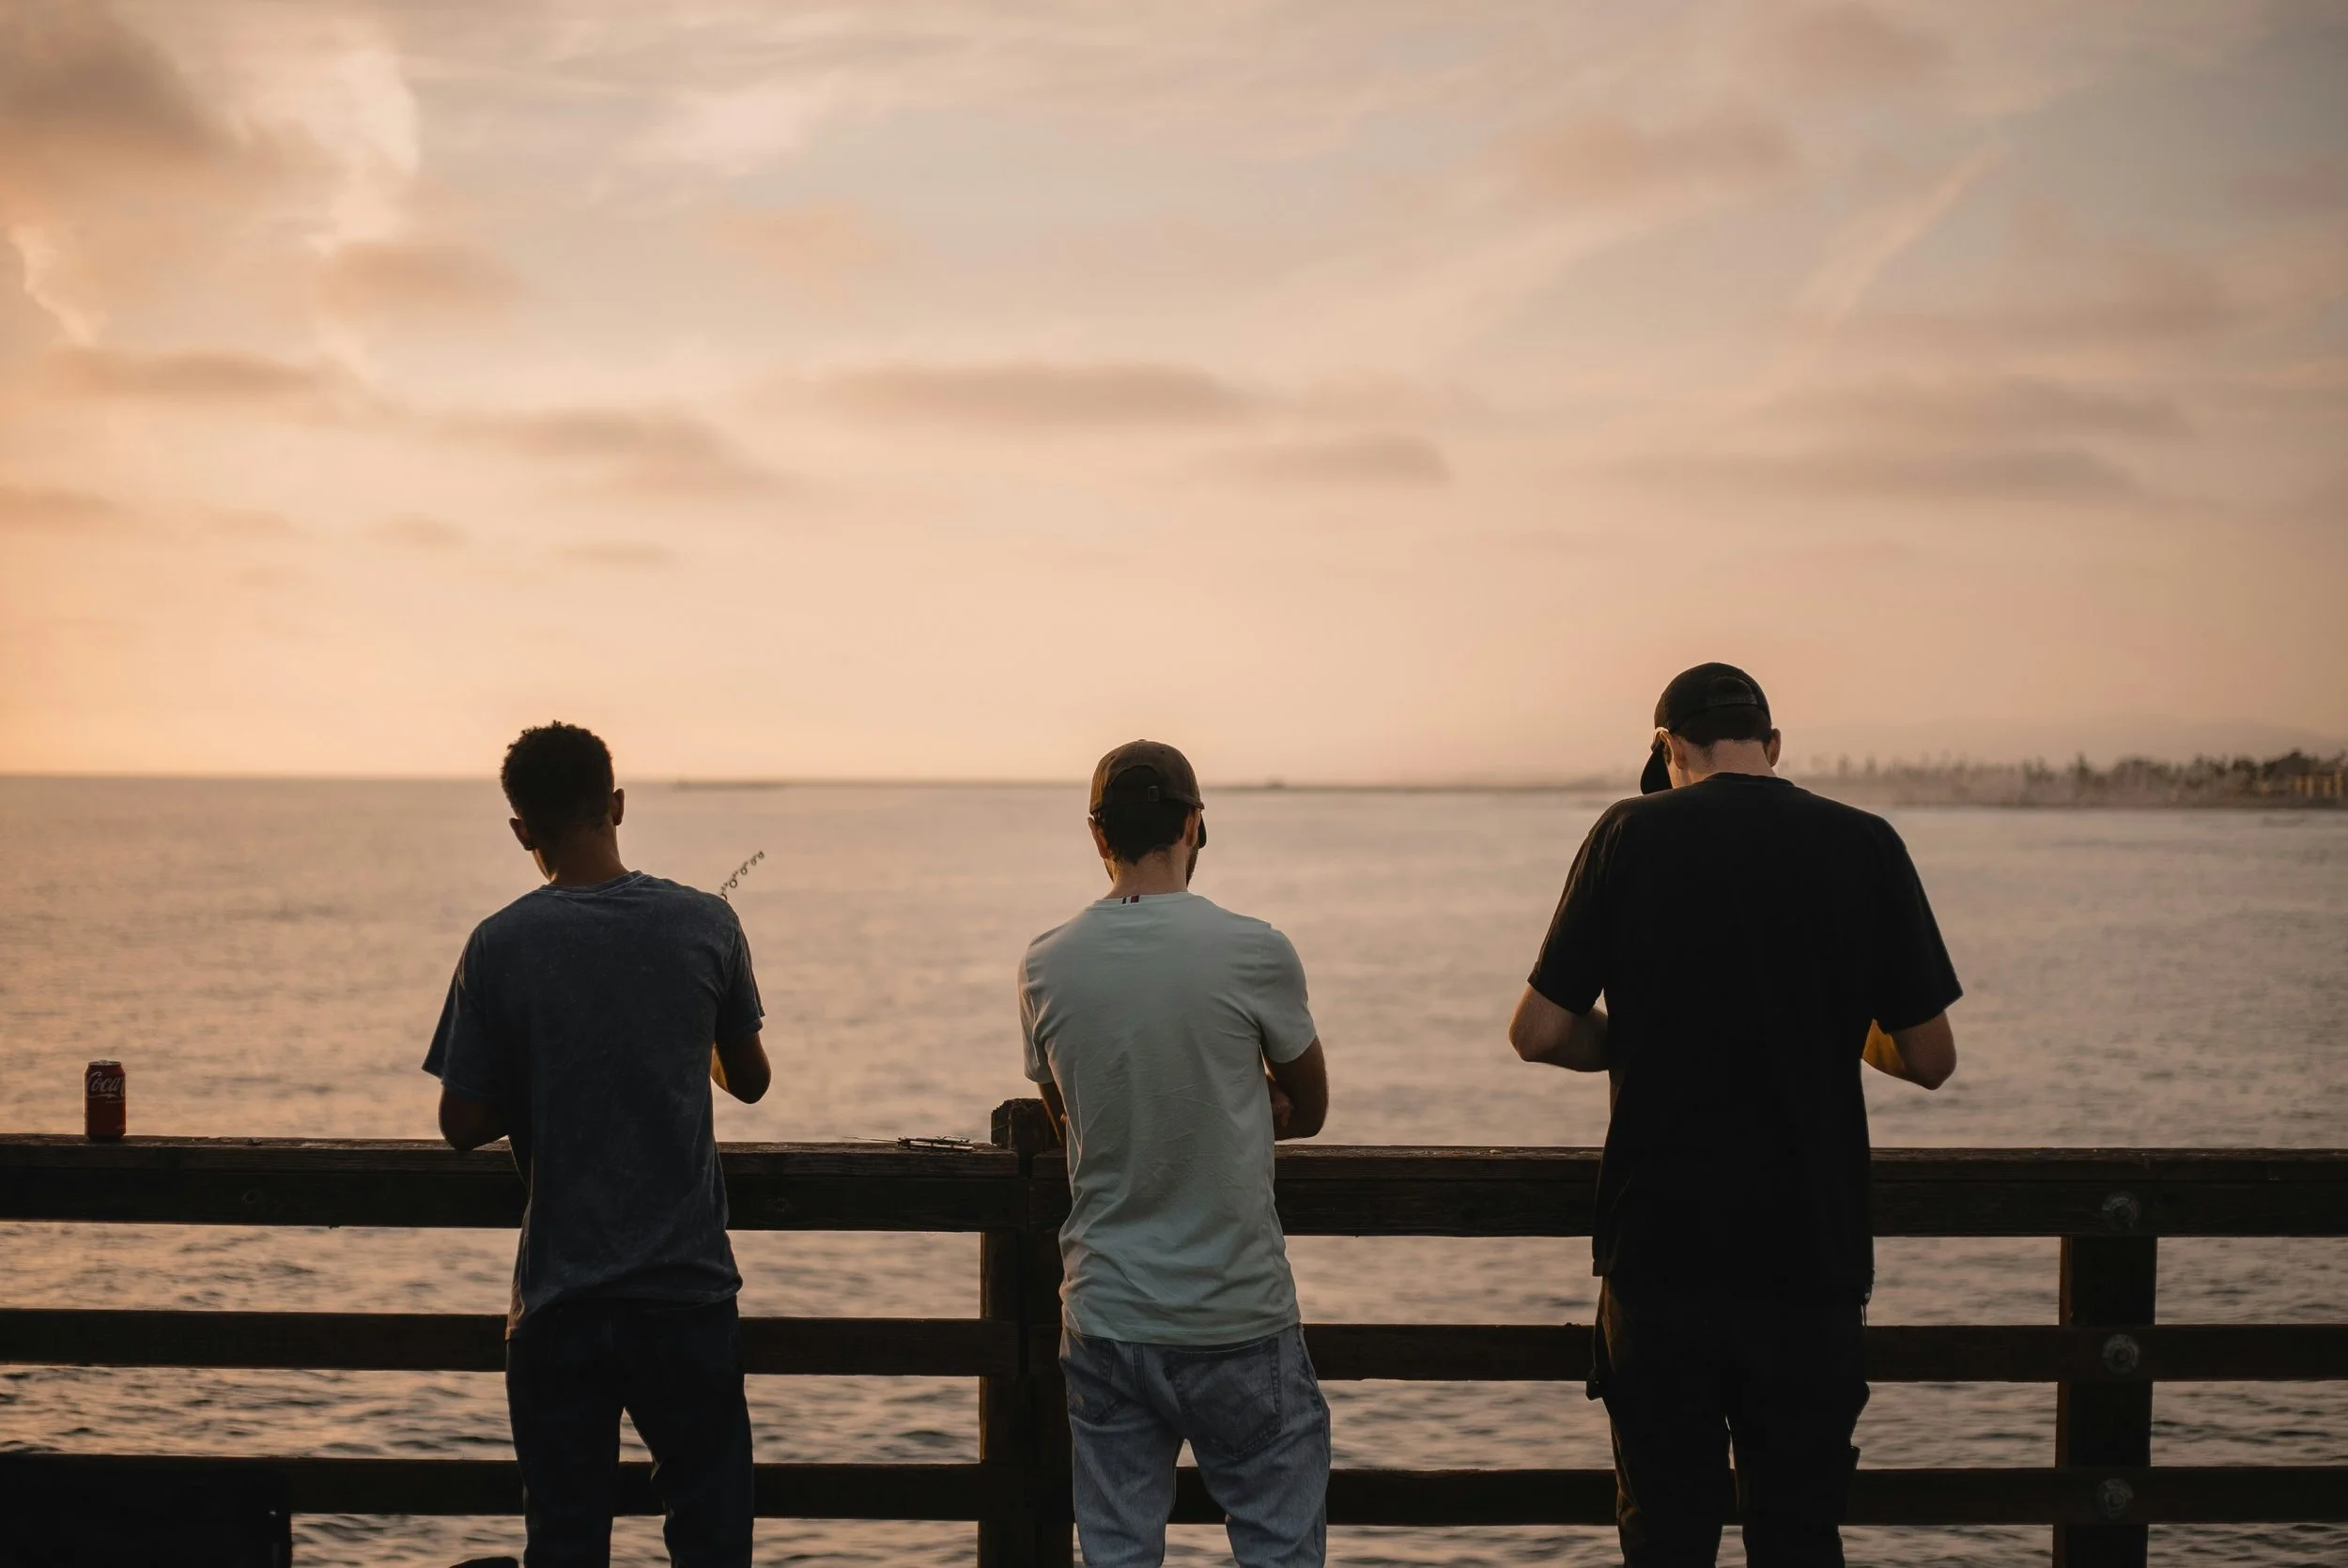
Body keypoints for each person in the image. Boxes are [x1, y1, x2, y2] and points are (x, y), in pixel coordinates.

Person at [1508, 665, 1961, 1568]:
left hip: (1661, 1256)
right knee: (1798, 1537)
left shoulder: (1629, 833)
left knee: (1667, 1538)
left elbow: (1539, 1031)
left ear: (1670, 750)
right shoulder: (1865, 843)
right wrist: (1834, 1031)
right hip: (1812, 1259)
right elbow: (1931, 1058)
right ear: (1775, 746)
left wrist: (1638, 1043)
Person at [425, 721, 773, 1568]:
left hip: (558, 1301)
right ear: (616, 803)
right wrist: (679, 1039)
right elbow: (751, 1078)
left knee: (566, 1538)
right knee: (712, 1535)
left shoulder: (498, 944)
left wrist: (554, 1068)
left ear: (521, 830)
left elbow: (461, 1122)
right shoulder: (706, 922)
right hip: (686, 1296)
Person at [1018, 741, 1334, 1568]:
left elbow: (1069, 1121)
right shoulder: (1254, 948)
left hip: (1108, 1313)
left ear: (1097, 834)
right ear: (1196, 826)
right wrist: (1243, 1090)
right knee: (1278, 1548)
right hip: (1236, 1309)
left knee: (1118, 1556)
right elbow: (1310, 1110)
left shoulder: (1046, 964)